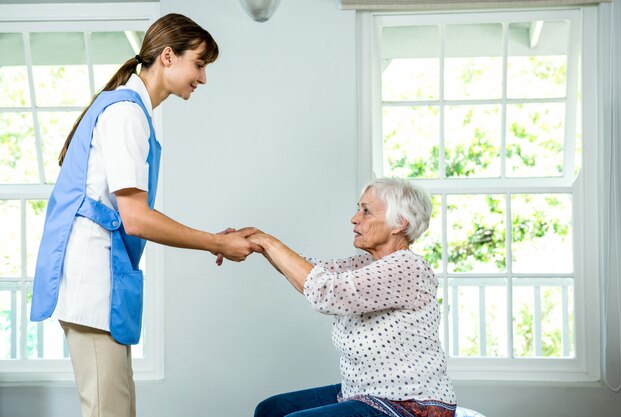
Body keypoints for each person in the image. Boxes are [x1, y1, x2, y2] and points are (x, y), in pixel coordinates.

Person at [30, 13, 258, 417]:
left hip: (97, 286)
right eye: (199, 65)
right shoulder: (126, 114)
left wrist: (214, 239)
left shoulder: (132, 110)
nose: (203, 79)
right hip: (92, 288)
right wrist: (216, 243)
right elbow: (135, 218)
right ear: (168, 57)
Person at [249, 178, 456, 417]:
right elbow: (313, 271)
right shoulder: (367, 264)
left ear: (399, 223)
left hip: (409, 403)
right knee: (271, 410)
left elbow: (326, 291)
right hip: (364, 393)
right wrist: (259, 244)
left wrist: (267, 242)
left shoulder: (407, 266)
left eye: (366, 211)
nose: (355, 218)